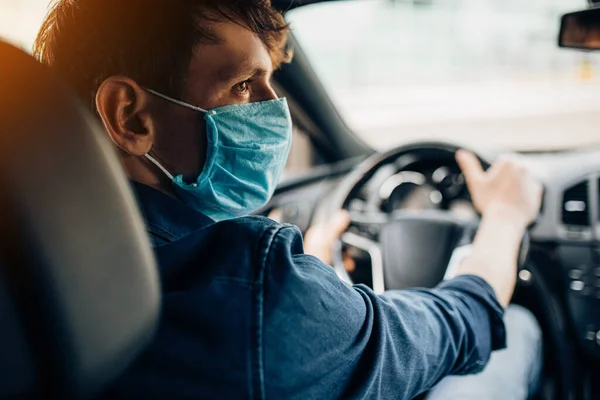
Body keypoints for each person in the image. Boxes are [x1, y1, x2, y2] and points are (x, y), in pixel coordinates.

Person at [33, 0, 543, 398]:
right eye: (241, 85)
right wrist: (505, 216)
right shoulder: (257, 288)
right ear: (130, 117)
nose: (276, 110)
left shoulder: (37, 264)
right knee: (514, 333)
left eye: (271, 82)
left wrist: (312, 287)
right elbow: (455, 325)